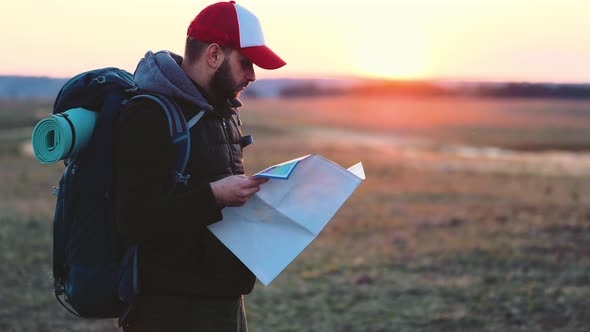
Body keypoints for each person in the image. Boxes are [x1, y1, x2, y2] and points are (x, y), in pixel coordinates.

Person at [113, 1, 286, 331]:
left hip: (225, 303)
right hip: (172, 313)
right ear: (214, 55)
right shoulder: (149, 116)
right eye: (246, 62)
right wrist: (214, 196)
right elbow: (133, 220)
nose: (252, 76)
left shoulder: (221, 113)